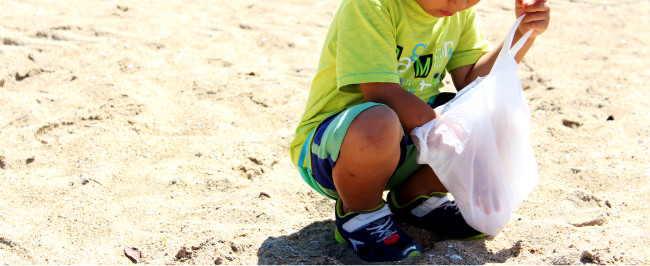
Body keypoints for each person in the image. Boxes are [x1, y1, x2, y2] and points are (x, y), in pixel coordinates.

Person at [289, 0, 550, 262]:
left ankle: (415, 198)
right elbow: (381, 92)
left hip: (410, 142)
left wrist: (521, 33)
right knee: (380, 121)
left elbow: (474, 82)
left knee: (490, 112)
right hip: (339, 151)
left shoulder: (458, 11)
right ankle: (360, 211)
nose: (459, 2)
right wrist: (439, 125)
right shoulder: (370, 5)